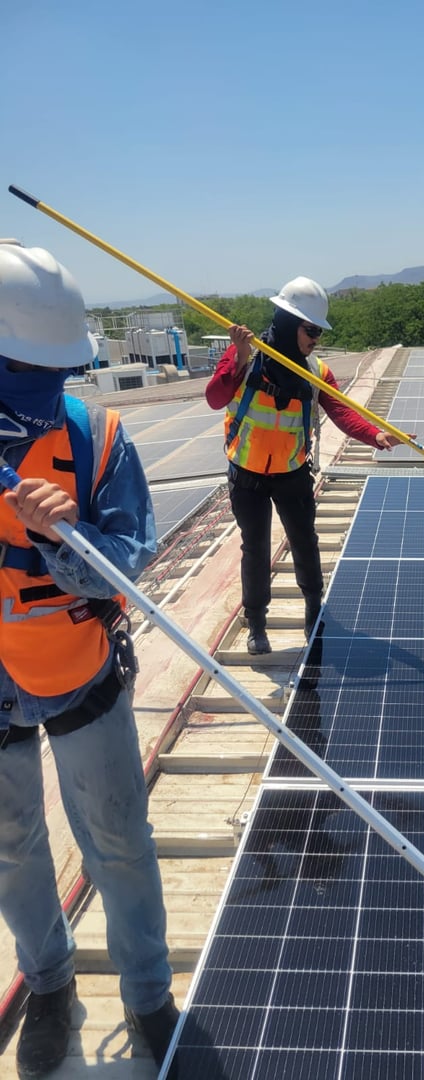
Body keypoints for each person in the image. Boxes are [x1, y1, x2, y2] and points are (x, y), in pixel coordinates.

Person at [0, 241, 177, 1079]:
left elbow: (131, 556)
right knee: (9, 843)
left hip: (77, 667)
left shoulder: (97, 437)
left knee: (116, 835)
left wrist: (61, 537)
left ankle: (147, 993)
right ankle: (51, 984)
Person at [205, 276, 412, 654]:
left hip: (292, 473)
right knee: (255, 547)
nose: (315, 338)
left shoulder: (317, 371)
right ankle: (256, 624)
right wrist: (235, 357)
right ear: (287, 322)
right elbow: (215, 399)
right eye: (311, 329)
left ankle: (314, 609)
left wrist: (376, 437)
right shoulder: (245, 358)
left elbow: (341, 412)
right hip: (247, 474)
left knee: (305, 542)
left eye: (318, 331)